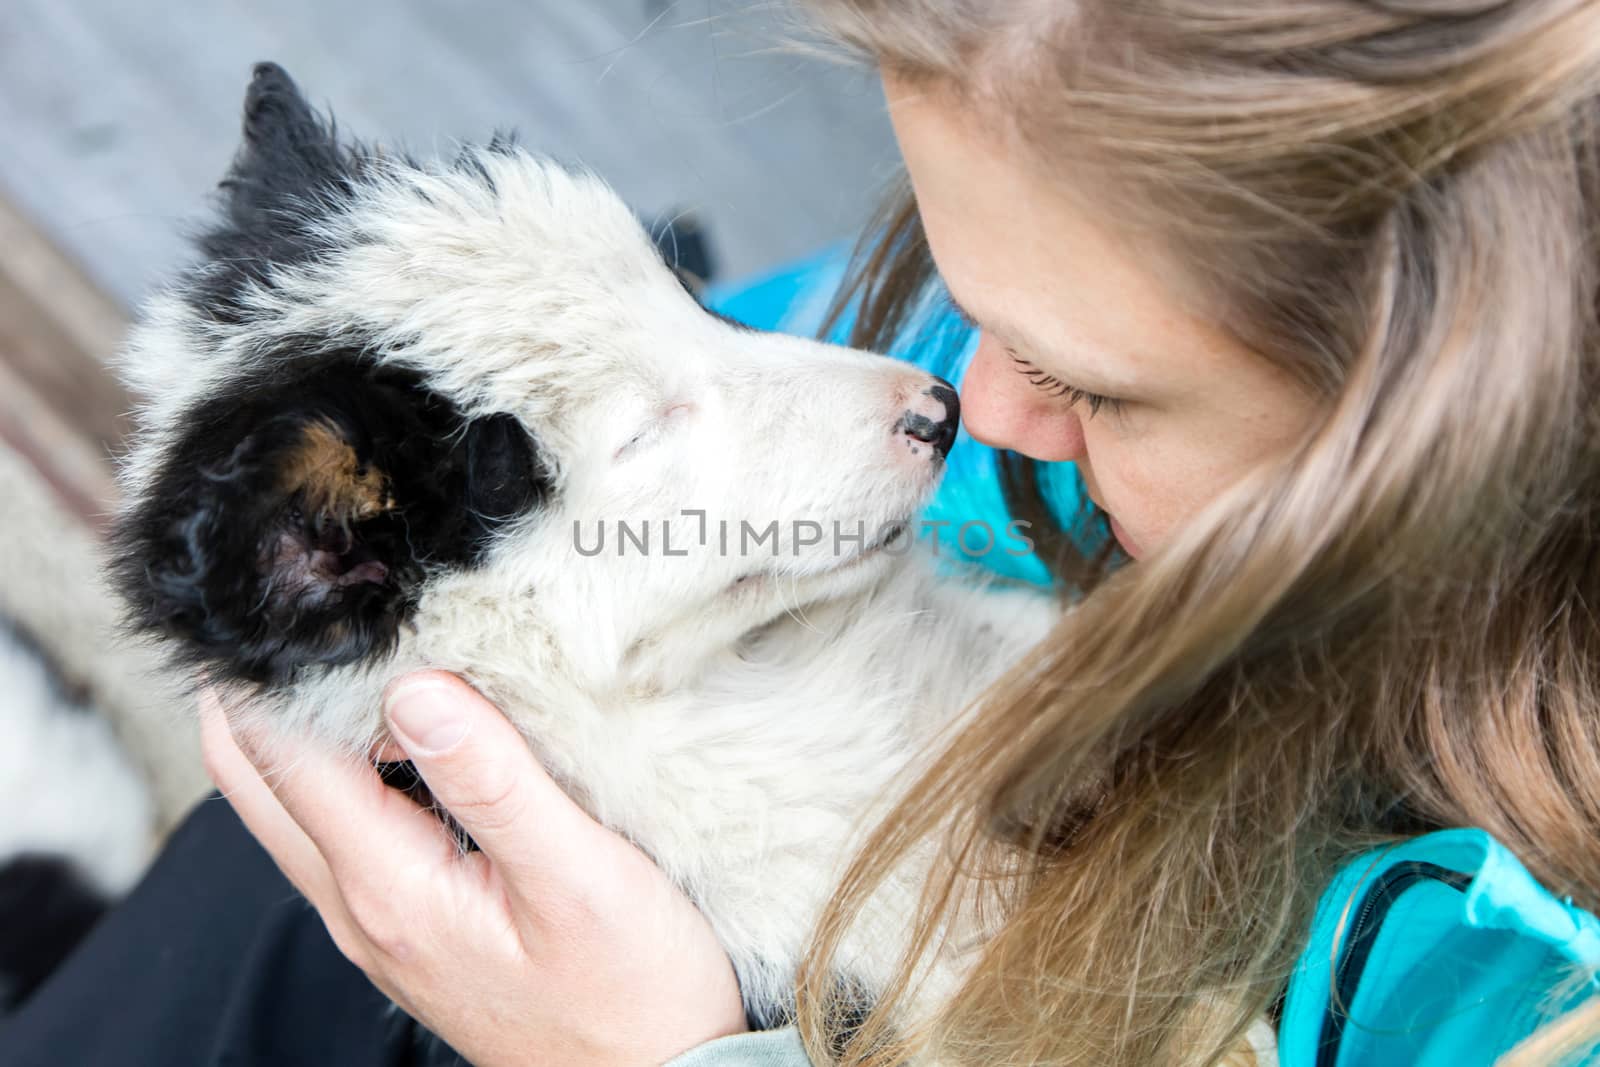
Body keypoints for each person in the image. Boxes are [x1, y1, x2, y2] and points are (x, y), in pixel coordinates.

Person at [8, 2, 1600, 1064]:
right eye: (969, 302)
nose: (960, 395)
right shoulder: (1092, 270)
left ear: (1459, 419)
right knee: (274, 907)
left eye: (1101, 392)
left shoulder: (1514, 989)